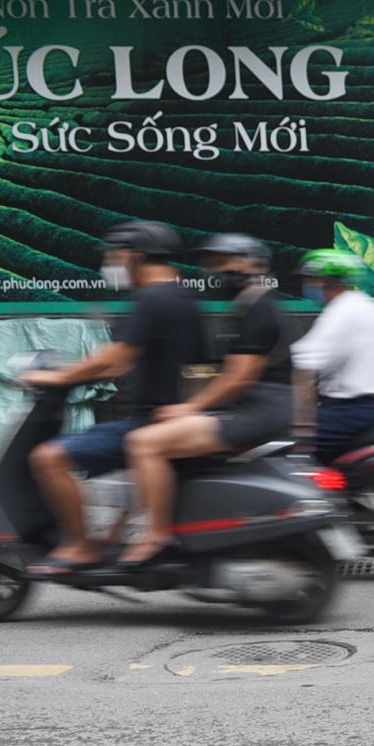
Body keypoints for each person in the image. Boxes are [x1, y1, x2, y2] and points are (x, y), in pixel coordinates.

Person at [21, 221, 202, 576]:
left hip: (148, 422)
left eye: (113, 254)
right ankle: (115, 535)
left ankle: (79, 546)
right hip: (171, 418)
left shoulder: (151, 298)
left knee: (49, 458)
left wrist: (56, 376)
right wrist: (86, 369)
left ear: (133, 254)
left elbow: (114, 359)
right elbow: (120, 361)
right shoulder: (183, 295)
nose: (110, 263)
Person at [113, 234, 293, 565]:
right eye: (214, 264)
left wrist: (189, 408)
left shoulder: (259, 309)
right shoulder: (245, 307)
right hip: (249, 408)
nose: (219, 271)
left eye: (226, 263)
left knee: (143, 443)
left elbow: (240, 377)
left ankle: (156, 535)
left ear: (252, 265)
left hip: (257, 412)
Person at [289, 249, 374, 464]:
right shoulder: (373, 308)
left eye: (311, 280)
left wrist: (301, 425)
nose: (309, 286)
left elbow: (304, 364)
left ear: (327, 282)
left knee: (294, 450)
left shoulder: (341, 311)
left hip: (352, 413)